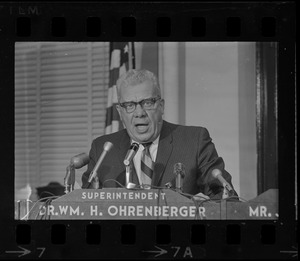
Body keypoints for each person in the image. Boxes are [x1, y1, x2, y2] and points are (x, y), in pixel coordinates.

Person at [82, 69, 237, 199]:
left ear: (161, 106)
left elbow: (225, 197)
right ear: (120, 112)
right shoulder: (103, 150)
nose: (139, 113)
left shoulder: (194, 141)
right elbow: (83, 204)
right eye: (129, 105)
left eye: (147, 103)